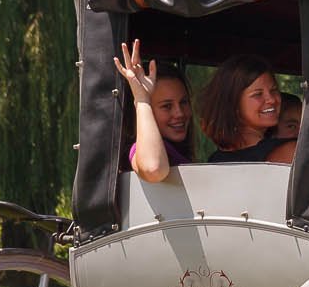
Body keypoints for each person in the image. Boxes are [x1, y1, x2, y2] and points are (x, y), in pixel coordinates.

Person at [113, 41, 192, 184]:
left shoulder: (177, 151)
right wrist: (142, 100)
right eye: (167, 106)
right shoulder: (138, 150)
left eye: (183, 102)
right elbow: (153, 168)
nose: (179, 113)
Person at [200, 55, 295, 165]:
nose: (271, 99)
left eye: (274, 90)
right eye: (258, 94)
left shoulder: (214, 161)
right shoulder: (290, 153)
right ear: (233, 103)